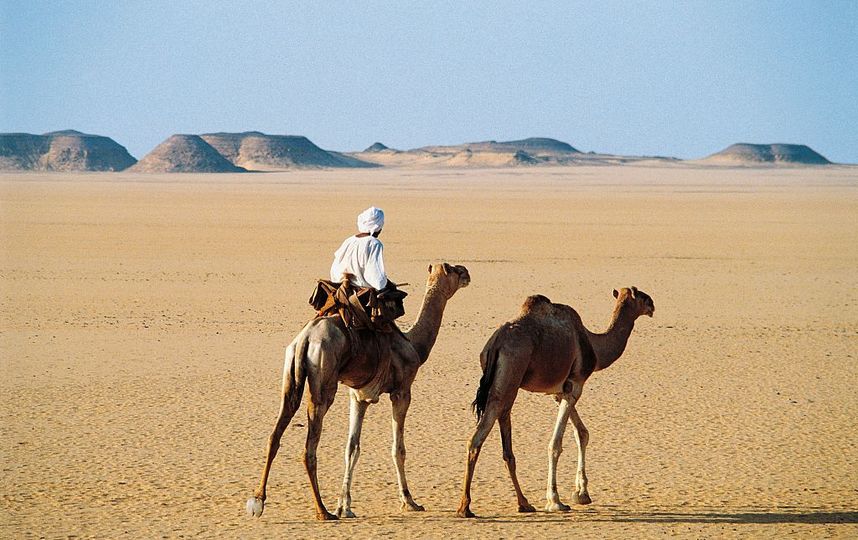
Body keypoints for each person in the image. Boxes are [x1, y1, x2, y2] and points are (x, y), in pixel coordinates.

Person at [330, 206, 391, 291]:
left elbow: (335, 269)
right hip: (362, 289)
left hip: (341, 286)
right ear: (377, 227)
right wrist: (386, 283)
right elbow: (375, 276)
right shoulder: (374, 243)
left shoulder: (349, 240)